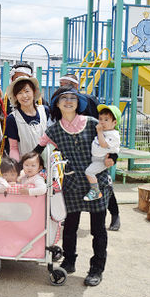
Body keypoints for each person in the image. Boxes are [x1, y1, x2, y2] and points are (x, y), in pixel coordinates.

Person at [34, 86, 117, 287]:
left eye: (73, 98)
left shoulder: (93, 124)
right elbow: (37, 150)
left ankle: (97, 268)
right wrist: (20, 169)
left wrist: (113, 157)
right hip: (71, 183)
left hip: (96, 182)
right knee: (70, 227)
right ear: (57, 104)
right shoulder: (53, 130)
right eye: (64, 98)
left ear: (78, 103)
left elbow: (113, 143)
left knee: (98, 229)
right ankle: (69, 261)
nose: (69, 101)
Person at [58, 74, 120, 230]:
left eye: (67, 84)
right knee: (75, 186)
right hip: (75, 152)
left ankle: (115, 214)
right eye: (61, 84)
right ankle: (70, 216)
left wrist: (113, 155)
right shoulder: (62, 104)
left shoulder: (89, 100)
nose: (63, 88)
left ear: (76, 87)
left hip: (97, 149)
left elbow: (108, 126)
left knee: (103, 184)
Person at [4, 76, 50, 161]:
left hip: (47, 163)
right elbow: (13, 148)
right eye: (19, 93)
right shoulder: (12, 118)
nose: (24, 96)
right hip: (26, 166)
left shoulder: (45, 111)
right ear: (15, 96)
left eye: (27, 91)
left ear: (34, 92)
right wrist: (16, 167)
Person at [84, 105, 121, 202]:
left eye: (106, 120)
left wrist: (99, 132)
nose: (102, 122)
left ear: (114, 122)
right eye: (100, 119)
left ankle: (95, 191)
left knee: (89, 172)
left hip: (102, 160)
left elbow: (103, 144)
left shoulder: (114, 135)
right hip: (96, 158)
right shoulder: (106, 131)